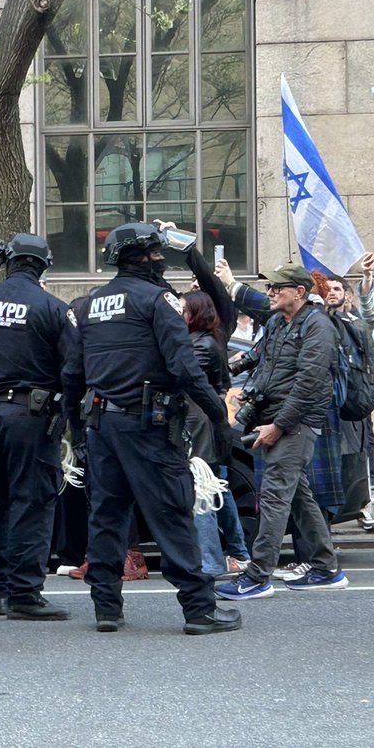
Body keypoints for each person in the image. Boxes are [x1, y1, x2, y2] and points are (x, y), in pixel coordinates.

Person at [61, 222, 241, 635]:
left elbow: (71, 375)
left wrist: (76, 430)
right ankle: (200, 610)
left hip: (101, 427)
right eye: (157, 254)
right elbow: (185, 370)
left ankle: (106, 607)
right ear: (143, 257)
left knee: (107, 516)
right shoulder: (159, 301)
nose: (161, 260)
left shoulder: (87, 306)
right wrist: (219, 418)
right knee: (172, 513)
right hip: (150, 426)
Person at [216, 264, 348, 600]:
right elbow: (262, 359)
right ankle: (326, 568)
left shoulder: (319, 325)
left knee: (274, 496)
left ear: (299, 292)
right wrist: (229, 372)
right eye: (271, 288)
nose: (271, 293)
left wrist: (279, 426)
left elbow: (308, 384)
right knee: (299, 496)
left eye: (278, 288)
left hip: (296, 421)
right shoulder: (277, 321)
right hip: (274, 415)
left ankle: (258, 575)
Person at [0, 233, 70, 620]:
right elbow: (73, 369)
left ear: (8, 262)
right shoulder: (52, 308)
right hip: (30, 418)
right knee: (33, 502)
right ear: (42, 265)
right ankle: (25, 592)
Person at [181, 290, 231, 579]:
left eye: (184, 309)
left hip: (197, 421)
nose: (179, 314)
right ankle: (237, 550)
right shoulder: (201, 340)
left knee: (201, 490)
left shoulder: (201, 345)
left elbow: (186, 378)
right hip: (203, 420)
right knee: (215, 488)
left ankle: (211, 561)